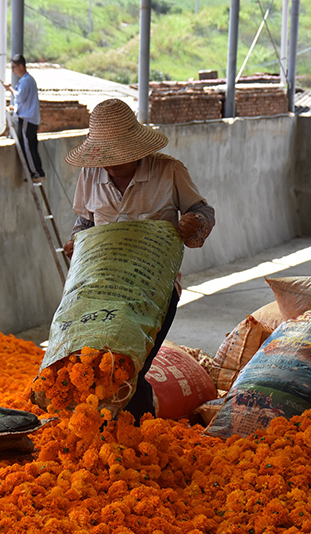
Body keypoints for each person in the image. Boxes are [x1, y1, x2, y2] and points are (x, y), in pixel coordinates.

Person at [62, 98, 216, 421]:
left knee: (129, 368)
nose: (108, 165)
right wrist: (76, 243)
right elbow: (85, 223)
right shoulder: (91, 177)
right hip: (103, 291)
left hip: (153, 292)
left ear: (136, 150)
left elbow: (203, 212)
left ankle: (140, 435)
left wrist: (194, 224)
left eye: (116, 159)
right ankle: (105, 434)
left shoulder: (169, 171)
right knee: (95, 367)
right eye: (103, 158)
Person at [2, 54, 45, 183]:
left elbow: (20, 98)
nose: (13, 70)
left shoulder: (26, 81)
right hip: (31, 118)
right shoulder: (28, 80)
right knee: (31, 146)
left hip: (27, 119)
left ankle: (36, 172)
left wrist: (9, 89)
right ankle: (37, 171)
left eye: (14, 67)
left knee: (28, 147)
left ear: (21, 66)